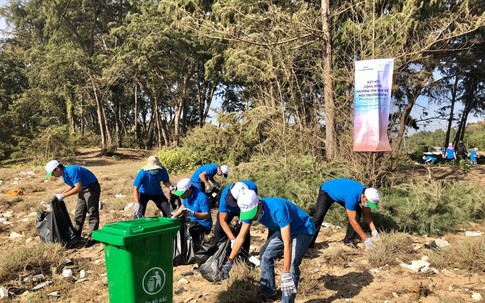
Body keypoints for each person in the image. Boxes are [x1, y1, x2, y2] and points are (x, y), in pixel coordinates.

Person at [220, 190, 315, 303]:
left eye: (252, 214)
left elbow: (287, 242)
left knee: (291, 267)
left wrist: (285, 273)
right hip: (284, 230)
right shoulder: (248, 209)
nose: (251, 218)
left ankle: (287, 301)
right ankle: (269, 293)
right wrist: (229, 262)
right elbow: (240, 237)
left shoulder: (277, 209)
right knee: (265, 254)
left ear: (259, 204)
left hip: (303, 230)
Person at [309, 178, 379, 250]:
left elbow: (366, 214)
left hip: (341, 192)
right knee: (318, 217)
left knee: (357, 212)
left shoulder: (366, 195)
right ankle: (308, 243)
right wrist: (366, 240)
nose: (369, 205)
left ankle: (348, 240)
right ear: (363, 197)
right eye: (369, 203)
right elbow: (353, 221)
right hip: (327, 191)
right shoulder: (352, 197)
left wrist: (374, 231)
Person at [44, 160, 100, 248]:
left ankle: (92, 238)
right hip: (83, 189)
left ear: (57, 169)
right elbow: (73, 185)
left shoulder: (72, 170)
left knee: (92, 212)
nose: (52, 176)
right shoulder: (64, 176)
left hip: (91, 188)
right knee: (79, 213)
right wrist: (61, 193)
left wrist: (63, 195)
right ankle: (76, 236)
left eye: (52, 173)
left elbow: (78, 187)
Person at [214, 180, 258, 255]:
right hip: (229, 210)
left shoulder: (252, 187)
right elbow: (222, 221)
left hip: (244, 209)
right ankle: (219, 253)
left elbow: (253, 205)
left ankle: (243, 255)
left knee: (244, 230)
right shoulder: (225, 195)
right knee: (218, 230)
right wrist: (233, 239)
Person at [172, 178, 212, 250]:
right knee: (179, 229)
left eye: (182, 194)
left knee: (189, 231)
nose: (181, 196)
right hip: (191, 222)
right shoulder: (187, 196)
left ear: (189, 190)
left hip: (203, 224)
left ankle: (194, 251)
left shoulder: (202, 198)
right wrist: (174, 216)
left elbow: (206, 215)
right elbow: (183, 206)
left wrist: (193, 214)